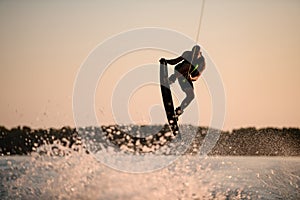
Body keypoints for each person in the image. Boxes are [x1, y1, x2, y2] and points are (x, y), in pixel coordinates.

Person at [160, 45, 206, 116]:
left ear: (199, 53)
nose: (194, 55)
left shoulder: (202, 62)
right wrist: (165, 61)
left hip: (187, 78)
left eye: (196, 54)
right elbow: (175, 61)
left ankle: (179, 110)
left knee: (191, 96)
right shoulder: (187, 54)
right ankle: (172, 79)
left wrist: (191, 78)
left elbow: (197, 77)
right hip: (179, 70)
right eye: (193, 53)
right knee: (188, 65)